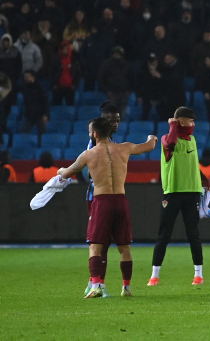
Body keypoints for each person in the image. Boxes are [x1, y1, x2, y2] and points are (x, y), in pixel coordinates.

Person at [57, 117, 157, 298]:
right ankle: (126, 288)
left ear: (95, 134)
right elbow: (149, 146)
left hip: (102, 202)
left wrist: (60, 171)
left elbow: (68, 172)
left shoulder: (88, 154)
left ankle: (96, 285)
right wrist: (153, 137)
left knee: (95, 247)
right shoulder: (125, 148)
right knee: (124, 247)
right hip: (121, 200)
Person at [149, 107, 208, 287]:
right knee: (164, 235)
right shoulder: (167, 139)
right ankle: (154, 275)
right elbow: (171, 144)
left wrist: (203, 179)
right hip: (173, 192)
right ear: (181, 122)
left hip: (192, 192)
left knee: (193, 235)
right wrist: (173, 125)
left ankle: (198, 275)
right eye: (190, 121)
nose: (193, 124)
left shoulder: (193, 140)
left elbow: (190, 164)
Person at [83, 101, 122, 297]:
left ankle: (94, 282)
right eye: (110, 120)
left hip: (106, 196)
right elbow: (88, 173)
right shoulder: (96, 143)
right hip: (97, 197)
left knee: (103, 241)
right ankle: (99, 284)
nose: (114, 124)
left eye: (117, 120)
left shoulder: (111, 144)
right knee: (100, 241)